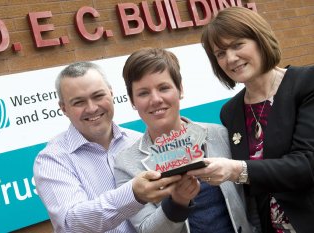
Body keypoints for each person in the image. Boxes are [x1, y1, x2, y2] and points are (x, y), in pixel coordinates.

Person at [188, 6, 314, 233]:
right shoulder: (230, 111)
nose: (231, 58)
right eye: (220, 53)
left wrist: (236, 170)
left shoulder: (307, 83)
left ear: (260, 39)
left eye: (237, 45)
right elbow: (252, 194)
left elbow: (306, 165)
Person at [114, 48, 254, 233]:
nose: (155, 99)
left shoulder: (220, 135)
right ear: (132, 101)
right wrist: (177, 203)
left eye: (164, 88)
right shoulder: (126, 163)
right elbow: (146, 229)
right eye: (143, 93)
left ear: (180, 89)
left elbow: (253, 198)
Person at [33, 61, 183, 233]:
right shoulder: (52, 160)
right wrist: (133, 194)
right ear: (64, 109)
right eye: (79, 102)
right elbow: (72, 222)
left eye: (98, 96)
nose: (92, 108)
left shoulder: (139, 141)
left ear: (111, 94)